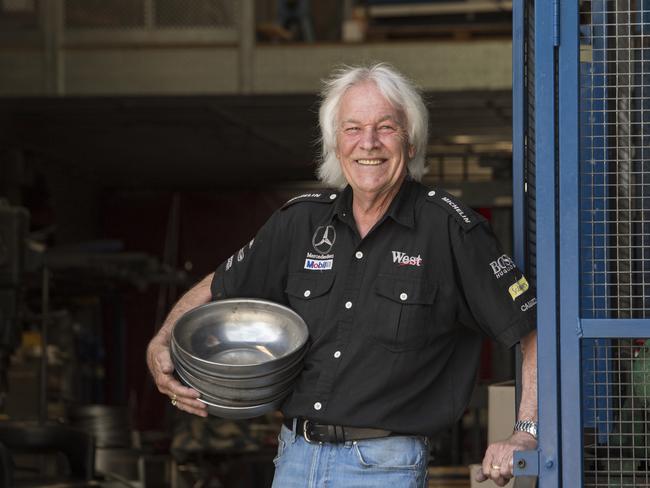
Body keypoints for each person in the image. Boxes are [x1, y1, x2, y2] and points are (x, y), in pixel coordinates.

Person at [146, 63, 538, 487]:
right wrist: (162, 338)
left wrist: (525, 432)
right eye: (352, 129)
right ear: (335, 143)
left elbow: (531, 332)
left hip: (384, 467)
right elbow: (221, 284)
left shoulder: (450, 230)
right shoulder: (300, 221)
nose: (367, 143)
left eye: (385, 127)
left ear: (410, 141)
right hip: (294, 459)